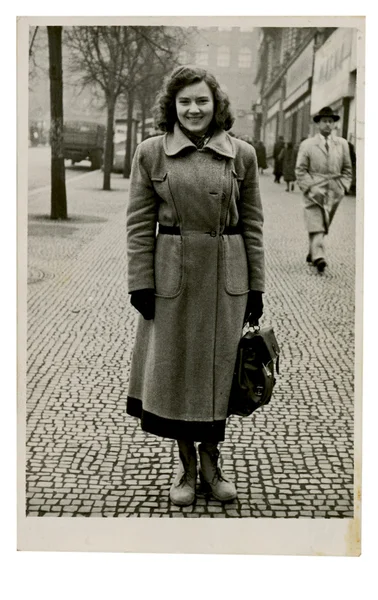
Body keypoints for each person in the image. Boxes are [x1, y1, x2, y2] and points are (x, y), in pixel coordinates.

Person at [126, 65, 265, 507]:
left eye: (201, 100)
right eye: (184, 101)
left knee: (218, 373)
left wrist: (256, 286)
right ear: (173, 106)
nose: (193, 109)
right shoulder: (151, 153)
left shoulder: (243, 154)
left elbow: (254, 224)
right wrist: (141, 282)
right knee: (176, 374)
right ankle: (187, 470)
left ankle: (212, 465)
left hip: (228, 277)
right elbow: (138, 224)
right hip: (172, 277)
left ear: (215, 104)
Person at [295, 106, 352, 273]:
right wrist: (310, 188)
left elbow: (348, 169)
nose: (328, 125)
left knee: (323, 223)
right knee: (317, 222)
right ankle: (319, 256)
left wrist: (343, 187)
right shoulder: (307, 145)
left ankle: (312, 251)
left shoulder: (342, 144)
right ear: (318, 124)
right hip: (313, 190)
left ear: (334, 124)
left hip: (334, 192)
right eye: (324, 121)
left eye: (330, 121)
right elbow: (300, 169)